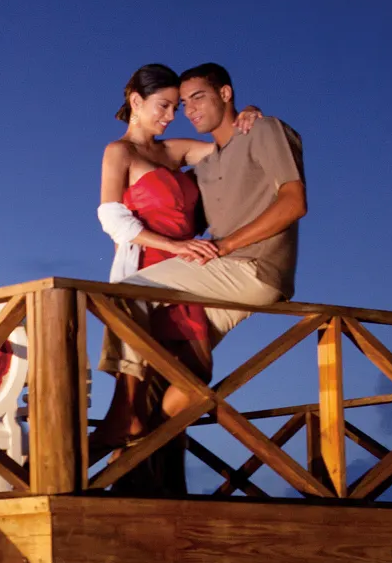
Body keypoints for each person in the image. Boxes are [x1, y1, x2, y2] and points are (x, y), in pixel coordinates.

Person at [93, 62, 305, 452]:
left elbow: (231, 146)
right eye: (165, 105)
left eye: (178, 106)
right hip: (159, 259)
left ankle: (139, 439)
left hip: (198, 263)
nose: (173, 115)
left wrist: (249, 114)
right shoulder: (119, 151)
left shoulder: (176, 150)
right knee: (133, 310)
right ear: (136, 101)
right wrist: (178, 247)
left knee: (193, 370)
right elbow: (110, 216)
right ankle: (131, 426)